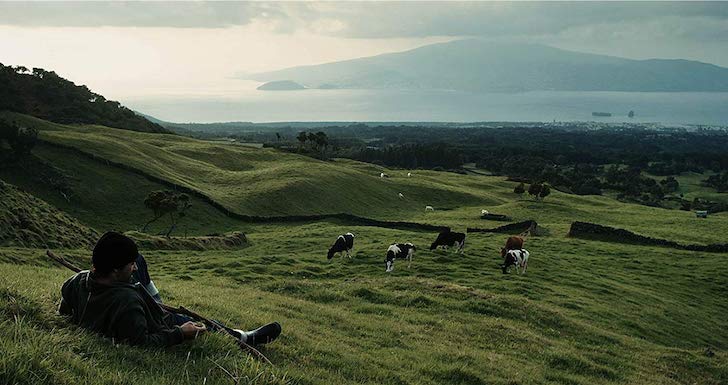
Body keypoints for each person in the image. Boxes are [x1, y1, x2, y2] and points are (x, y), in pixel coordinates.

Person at [59, 231, 281, 347]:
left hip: (121, 292)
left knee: (141, 259)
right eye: (129, 265)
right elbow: (142, 342)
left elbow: (65, 309)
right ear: (115, 270)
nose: (133, 267)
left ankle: (154, 300)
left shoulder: (75, 281)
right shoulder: (126, 302)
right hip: (160, 320)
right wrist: (180, 334)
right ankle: (243, 338)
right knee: (186, 320)